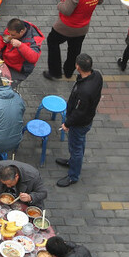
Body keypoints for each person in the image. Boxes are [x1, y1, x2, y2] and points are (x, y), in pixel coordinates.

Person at [44, 0, 103, 80]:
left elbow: (66, 10)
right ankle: (69, 71)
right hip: (83, 27)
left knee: (52, 41)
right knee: (74, 49)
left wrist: (60, 4)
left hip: (66, 27)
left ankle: (55, 72)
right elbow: (100, 1)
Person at [56, 55, 102, 187]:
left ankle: (73, 176)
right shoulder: (97, 76)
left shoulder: (84, 91)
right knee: (79, 144)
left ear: (77, 67)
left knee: (75, 148)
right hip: (87, 119)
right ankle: (72, 162)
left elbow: (79, 112)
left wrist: (67, 123)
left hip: (79, 123)